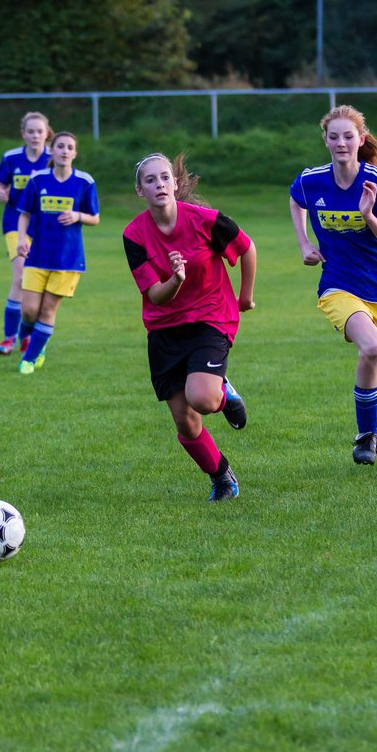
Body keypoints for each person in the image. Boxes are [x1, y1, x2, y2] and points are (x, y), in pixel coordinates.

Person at [123, 153, 256, 501]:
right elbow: (156, 295)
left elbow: (247, 248)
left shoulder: (206, 221)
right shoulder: (134, 235)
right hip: (164, 330)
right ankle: (221, 476)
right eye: (150, 180)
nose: (159, 185)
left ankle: (222, 392)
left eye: (165, 177)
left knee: (203, 398)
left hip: (211, 318)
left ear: (176, 183)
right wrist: (177, 278)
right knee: (185, 420)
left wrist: (245, 296)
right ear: (140, 191)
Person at [289, 105, 377, 470]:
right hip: (338, 286)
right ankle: (364, 436)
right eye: (334, 136)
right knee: (370, 347)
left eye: (348, 136)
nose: (341, 142)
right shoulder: (313, 180)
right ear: (325, 140)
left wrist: (368, 215)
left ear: (360, 139)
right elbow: (295, 199)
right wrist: (305, 244)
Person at [14, 131, 99, 374]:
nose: (64, 150)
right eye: (60, 146)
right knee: (29, 310)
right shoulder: (38, 180)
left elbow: (95, 218)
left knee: (48, 310)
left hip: (68, 259)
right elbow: (25, 213)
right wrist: (22, 238)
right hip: (37, 255)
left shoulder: (85, 182)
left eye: (69, 147)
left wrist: (77, 215)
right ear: (52, 150)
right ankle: (27, 336)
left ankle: (30, 358)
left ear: (74, 153)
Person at [0, 112, 52, 354]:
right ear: (23, 134)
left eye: (40, 131)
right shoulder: (11, 158)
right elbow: (1, 182)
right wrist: (1, 191)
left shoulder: (54, 157)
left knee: (37, 282)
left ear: (47, 133)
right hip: (15, 224)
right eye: (31, 131)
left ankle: (26, 335)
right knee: (19, 276)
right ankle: (9, 338)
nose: (35, 135)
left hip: (45, 230)